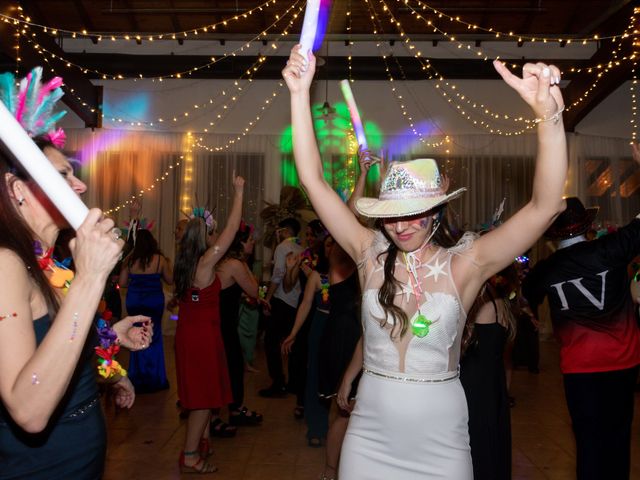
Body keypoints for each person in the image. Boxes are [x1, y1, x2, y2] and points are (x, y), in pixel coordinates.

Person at [283, 45, 567, 478]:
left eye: (416, 211)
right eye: (393, 214)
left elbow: (545, 207)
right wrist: (298, 94)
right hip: (369, 436)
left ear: (436, 210)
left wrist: (548, 117)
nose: (402, 225)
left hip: (441, 440)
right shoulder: (368, 254)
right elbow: (312, 180)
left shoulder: (466, 264)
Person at [522, 193, 640, 480]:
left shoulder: (547, 268)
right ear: (588, 225)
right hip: (622, 362)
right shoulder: (611, 248)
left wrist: (532, 311)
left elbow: (526, 294)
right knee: (618, 438)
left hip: (579, 367)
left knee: (587, 443)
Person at [173, 174, 244, 473]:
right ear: (205, 238)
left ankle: (202, 442)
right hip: (201, 337)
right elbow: (232, 229)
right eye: (212, 233)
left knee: (200, 394)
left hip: (190, 335)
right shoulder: (204, 264)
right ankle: (190, 455)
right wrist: (238, 191)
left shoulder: (184, 263)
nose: (217, 238)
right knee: (203, 400)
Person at [460, 266, 518, 480]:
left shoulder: (484, 304)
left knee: (478, 441)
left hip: (475, 383)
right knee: (492, 438)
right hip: (493, 381)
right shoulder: (501, 302)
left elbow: (467, 348)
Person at [282, 234, 334, 446]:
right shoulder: (317, 276)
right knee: (314, 376)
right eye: (330, 244)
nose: (333, 249)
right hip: (320, 327)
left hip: (344, 329)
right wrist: (293, 333)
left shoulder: (355, 273)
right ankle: (317, 426)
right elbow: (305, 305)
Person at [215, 222, 263, 429]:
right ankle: (234, 410)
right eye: (251, 241)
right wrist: (247, 266)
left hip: (222, 321)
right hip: (222, 324)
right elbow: (254, 290)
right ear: (241, 243)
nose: (253, 244)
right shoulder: (235, 263)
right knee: (232, 366)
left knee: (230, 365)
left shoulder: (226, 260)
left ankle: (231, 408)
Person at [118, 229, 173, 393]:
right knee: (154, 337)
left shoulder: (130, 260)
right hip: (153, 301)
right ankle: (155, 377)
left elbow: (122, 283)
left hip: (135, 301)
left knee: (135, 335)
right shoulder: (160, 260)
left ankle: (137, 376)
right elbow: (170, 280)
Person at [259, 217, 304, 397]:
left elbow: (277, 275)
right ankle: (293, 382)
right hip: (296, 301)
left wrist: (267, 299)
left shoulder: (282, 247)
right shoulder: (300, 248)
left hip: (282, 300)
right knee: (290, 342)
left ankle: (278, 382)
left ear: (285, 230)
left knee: (271, 342)